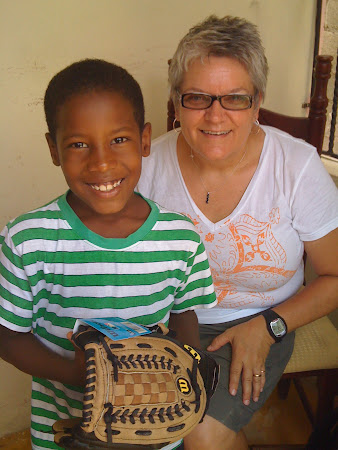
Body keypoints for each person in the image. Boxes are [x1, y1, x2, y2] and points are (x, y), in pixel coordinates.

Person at [137, 15, 338, 450]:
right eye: (197, 97)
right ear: (176, 100)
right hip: (165, 324)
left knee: (202, 435)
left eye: (235, 98)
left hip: (261, 320)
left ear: (257, 101)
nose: (215, 115)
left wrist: (269, 327)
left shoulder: (296, 168)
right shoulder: (147, 163)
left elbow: (335, 277)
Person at [0, 59, 217, 450]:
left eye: (119, 139)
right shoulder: (27, 240)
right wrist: (82, 376)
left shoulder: (180, 237)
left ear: (144, 139)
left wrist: (186, 367)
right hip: (63, 432)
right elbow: (8, 336)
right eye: (79, 144)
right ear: (53, 149)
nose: (101, 163)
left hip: (154, 429)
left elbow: (185, 313)